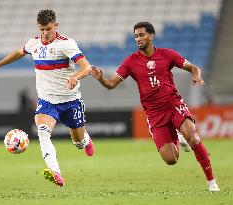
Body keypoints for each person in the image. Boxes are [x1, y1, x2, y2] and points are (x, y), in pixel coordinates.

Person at [91, 22, 219, 192]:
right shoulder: (131, 61)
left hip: (173, 104)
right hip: (154, 113)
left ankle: (212, 182)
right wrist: (100, 78)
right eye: (136, 36)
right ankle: (177, 136)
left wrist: (196, 76)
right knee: (171, 159)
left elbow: (193, 67)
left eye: (142, 35)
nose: (138, 38)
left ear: (151, 36)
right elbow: (111, 84)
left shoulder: (167, 54)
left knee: (194, 137)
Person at [0, 9, 95, 187]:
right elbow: (19, 52)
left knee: (78, 142)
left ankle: (85, 139)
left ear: (56, 25)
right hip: (47, 102)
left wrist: (75, 77)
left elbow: (87, 67)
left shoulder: (67, 44)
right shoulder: (34, 43)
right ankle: (56, 172)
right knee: (42, 131)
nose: (45, 33)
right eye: (42, 29)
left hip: (70, 101)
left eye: (48, 28)